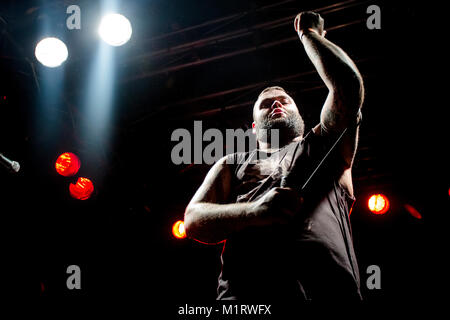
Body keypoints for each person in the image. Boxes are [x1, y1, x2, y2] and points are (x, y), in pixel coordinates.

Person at [184, 11, 364, 301]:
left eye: (285, 101)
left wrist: (310, 35)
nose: (277, 104)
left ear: (301, 116)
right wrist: (254, 212)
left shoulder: (325, 144)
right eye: (266, 103)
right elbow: (193, 219)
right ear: (254, 127)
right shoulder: (232, 163)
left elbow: (348, 88)